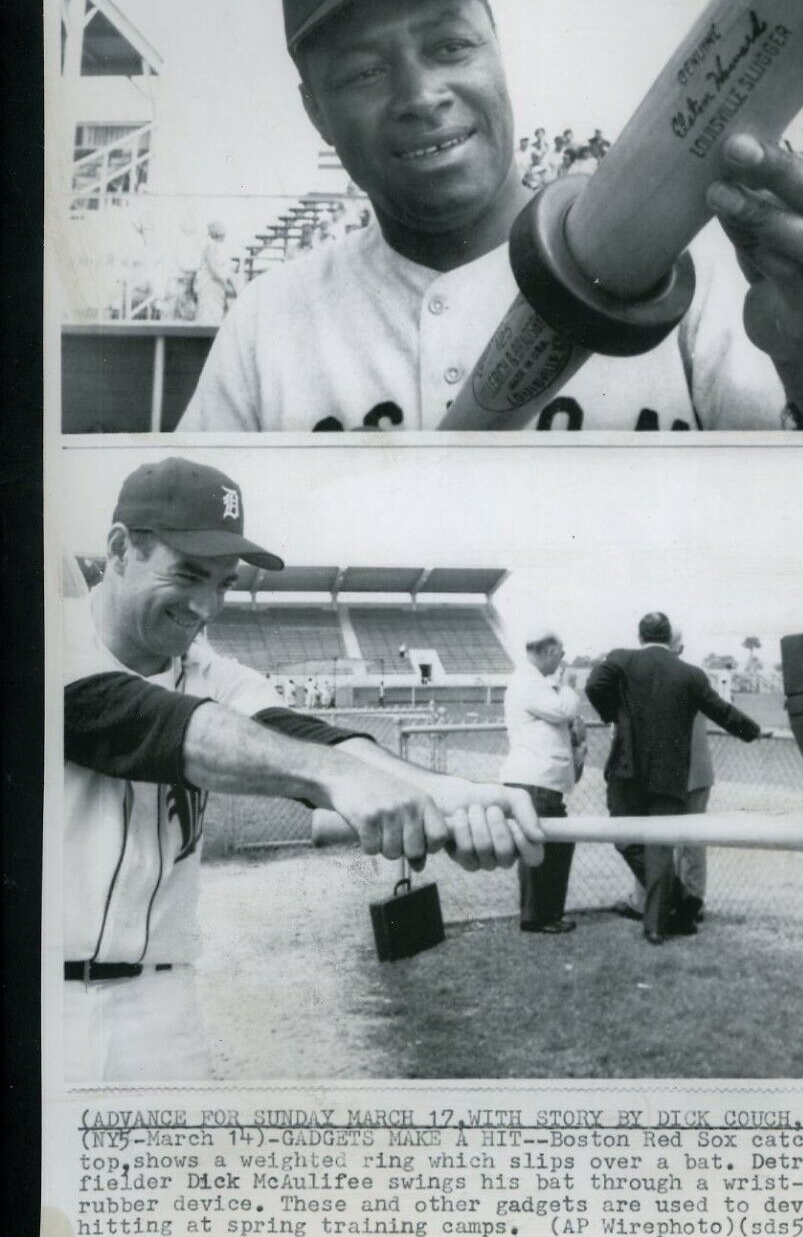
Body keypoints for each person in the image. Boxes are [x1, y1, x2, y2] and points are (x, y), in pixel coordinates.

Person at [178, 0, 803, 433]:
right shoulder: (267, 326)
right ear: (315, 109)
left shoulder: (700, 259)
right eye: (362, 72)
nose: (423, 95)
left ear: (496, 51)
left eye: (450, 46)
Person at [62, 456, 543, 1082]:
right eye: (187, 574)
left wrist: (449, 792)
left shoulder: (211, 670)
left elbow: (304, 735)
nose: (208, 606)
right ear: (121, 549)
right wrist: (335, 781)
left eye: (225, 583)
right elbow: (156, 724)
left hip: (161, 1005)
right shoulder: (45, 637)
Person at [586, 612, 761, 944]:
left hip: (628, 772)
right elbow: (722, 711)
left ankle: (667, 911)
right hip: (670, 776)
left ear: (640, 635)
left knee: (625, 840)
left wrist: (614, 715)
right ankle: (665, 916)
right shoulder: (690, 674)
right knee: (660, 848)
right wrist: (753, 731)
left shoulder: (621, 659)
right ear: (669, 638)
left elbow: (594, 685)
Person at [500, 630, 585, 935]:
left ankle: (544, 913)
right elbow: (563, 709)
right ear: (549, 651)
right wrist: (569, 687)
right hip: (534, 780)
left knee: (554, 846)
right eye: (561, 654)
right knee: (541, 848)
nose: (562, 660)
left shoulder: (534, 682)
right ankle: (539, 916)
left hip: (538, 780)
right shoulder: (528, 682)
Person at [192, 221, 236, 325]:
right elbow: (212, 267)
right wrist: (224, 280)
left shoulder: (215, 246)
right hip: (210, 284)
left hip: (216, 285)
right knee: (209, 310)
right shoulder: (210, 245)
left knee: (216, 311)